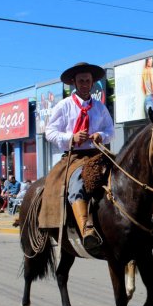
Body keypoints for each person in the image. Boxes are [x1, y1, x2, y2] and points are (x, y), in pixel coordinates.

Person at [45, 62, 114, 250]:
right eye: (81, 81)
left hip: (98, 154)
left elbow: (111, 130)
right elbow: (49, 132)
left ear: (92, 83)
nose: (85, 84)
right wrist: (71, 138)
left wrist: (101, 135)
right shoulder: (64, 106)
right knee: (77, 182)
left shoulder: (100, 107)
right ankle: (86, 230)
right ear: (74, 82)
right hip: (75, 156)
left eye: (88, 81)